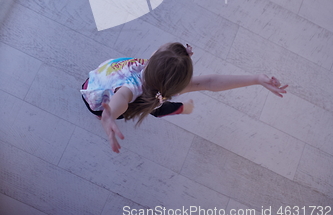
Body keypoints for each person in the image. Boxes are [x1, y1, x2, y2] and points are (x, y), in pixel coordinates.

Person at [81, 42, 288, 153]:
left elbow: (122, 98)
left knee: (151, 107)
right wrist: (256, 79)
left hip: (98, 98)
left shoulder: (134, 85)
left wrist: (108, 117)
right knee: (155, 107)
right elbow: (208, 83)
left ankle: (181, 108)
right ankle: (182, 108)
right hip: (102, 91)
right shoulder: (164, 83)